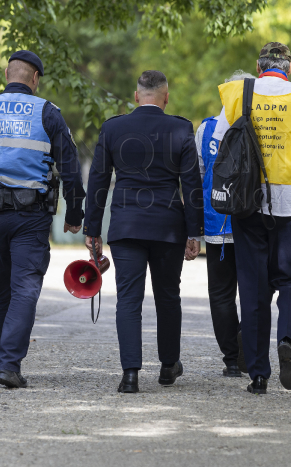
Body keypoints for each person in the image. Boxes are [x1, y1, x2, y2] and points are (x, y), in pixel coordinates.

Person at [0, 50, 86, 389]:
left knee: (0, 286)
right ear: (35, 78)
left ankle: (6, 359)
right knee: (25, 287)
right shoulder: (46, 112)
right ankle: (8, 363)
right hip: (30, 217)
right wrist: (76, 213)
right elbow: (71, 167)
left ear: (6, 74)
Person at [213, 43, 291, 394]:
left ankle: (259, 375)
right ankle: (287, 341)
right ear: (289, 68)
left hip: (248, 205)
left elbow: (222, 146)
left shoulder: (238, 94)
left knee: (252, 289)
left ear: (258, 66)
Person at [84, 70, 204, 394]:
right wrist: (195, 233)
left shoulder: (112, 128)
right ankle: (168, 366)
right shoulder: (181, 129)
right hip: (168, 227)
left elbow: (97, 180)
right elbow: (191, 183)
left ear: (136, 96)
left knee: (129, 300)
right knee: (168, 296)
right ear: (166, 97)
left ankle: (130, 375)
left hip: (126, 226)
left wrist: (92, 230)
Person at [195, 70, 255, 378]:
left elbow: (199, 175)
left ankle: (232, 358)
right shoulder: (258, 127)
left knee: (220, 292)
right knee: (254, 289)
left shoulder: (206, 130)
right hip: (251, 222)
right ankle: (249, 344)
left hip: (216, 222)